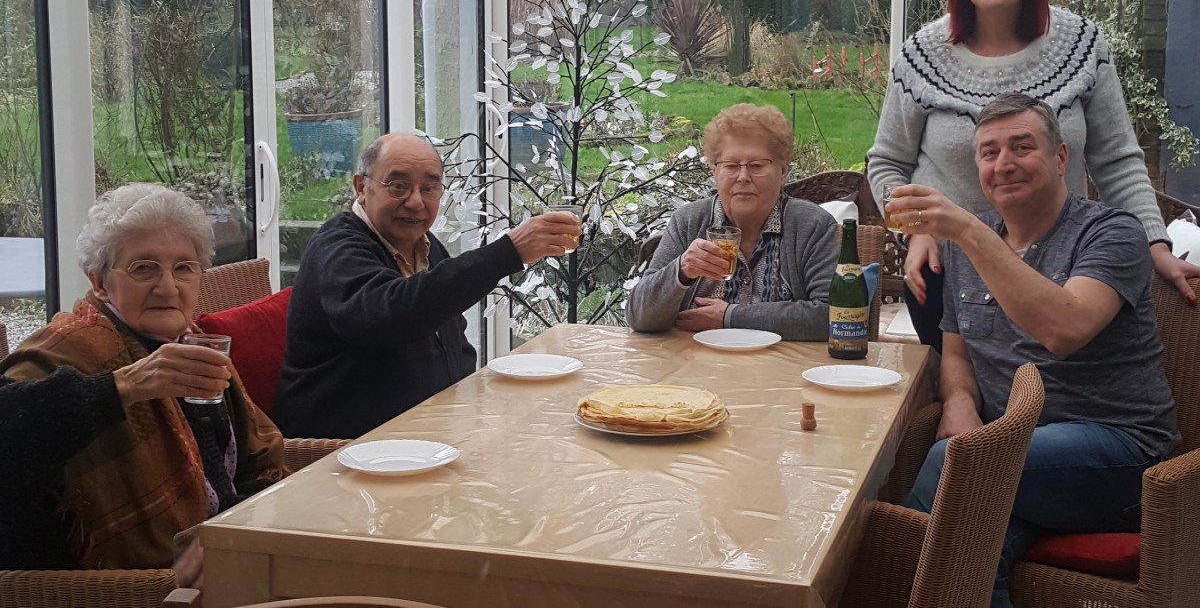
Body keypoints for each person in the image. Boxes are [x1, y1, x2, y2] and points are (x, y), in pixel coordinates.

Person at [867, 0, 1199, 353]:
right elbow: (887, 162)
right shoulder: (921, 57)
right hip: (950, 277)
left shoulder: (1081, 46)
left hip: (1065, 273)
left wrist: (1154, 244)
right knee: (960, 398)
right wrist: (916, 228)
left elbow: (1117, 161)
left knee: (1054, 399)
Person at [891, 94, 1179, 608]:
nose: (1003, 164)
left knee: (956, 467)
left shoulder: (1110, 233)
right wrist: (958, 402)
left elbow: (1064, 328)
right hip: (1018, 455)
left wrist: (967, 230)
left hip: (1120, 456)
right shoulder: (965, 245)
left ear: (1061, 158)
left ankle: (878, 582)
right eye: (989, 152)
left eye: (1022, 147)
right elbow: (956, 352)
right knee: (972, 553)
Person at [0, 183, 286, 577]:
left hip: (227, 554)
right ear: (100, 282)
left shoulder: (189, 344)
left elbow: (243, 471)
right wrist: (124, 386)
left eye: (183, 268)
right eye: (143, 268)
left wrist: (250, 529)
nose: (168, 287)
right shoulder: (67, 350)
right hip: (131, 588)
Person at [273, 132, 581, 439]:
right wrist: (507, 252)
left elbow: (449, 338)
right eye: (398, 186)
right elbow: (393, 314)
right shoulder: (337, 247)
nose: (416, 201)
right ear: (361, 189)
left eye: (429, 188)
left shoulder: (424, 244)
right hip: (345, 451)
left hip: (428, 432)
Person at [626, 103, 837, 339]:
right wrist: (682, 270)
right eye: (731, 166)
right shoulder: (688, 222)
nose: (743, 177)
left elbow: (833, 315)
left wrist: (730, 317)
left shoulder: (811, 225)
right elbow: (639, 316)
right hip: (694, 368)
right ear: (714, 171)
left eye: (757, 166)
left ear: (783, 171)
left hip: (780, 370)